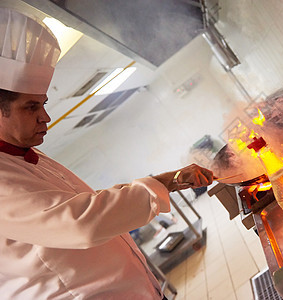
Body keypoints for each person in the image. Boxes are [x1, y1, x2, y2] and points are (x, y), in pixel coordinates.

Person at [0, 8, 214, 299]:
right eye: (31, 107)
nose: (45, 117)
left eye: (43, 104)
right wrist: (165, 183)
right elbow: (81, 223)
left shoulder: (28, 155)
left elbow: (90, 204)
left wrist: (173, 180)